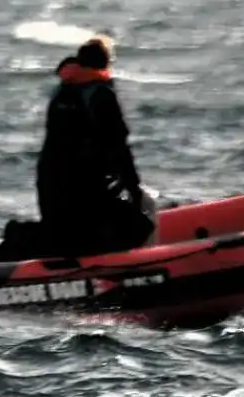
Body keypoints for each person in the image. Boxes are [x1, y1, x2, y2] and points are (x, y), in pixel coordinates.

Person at [24, 35, 155, 257]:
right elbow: (118, 147)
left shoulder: (62, 92)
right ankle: (147, 266)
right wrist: (134, 189)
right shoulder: (100, 94)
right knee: (147, 209)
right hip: (85, 190)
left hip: (50, 185)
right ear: (106, 63)